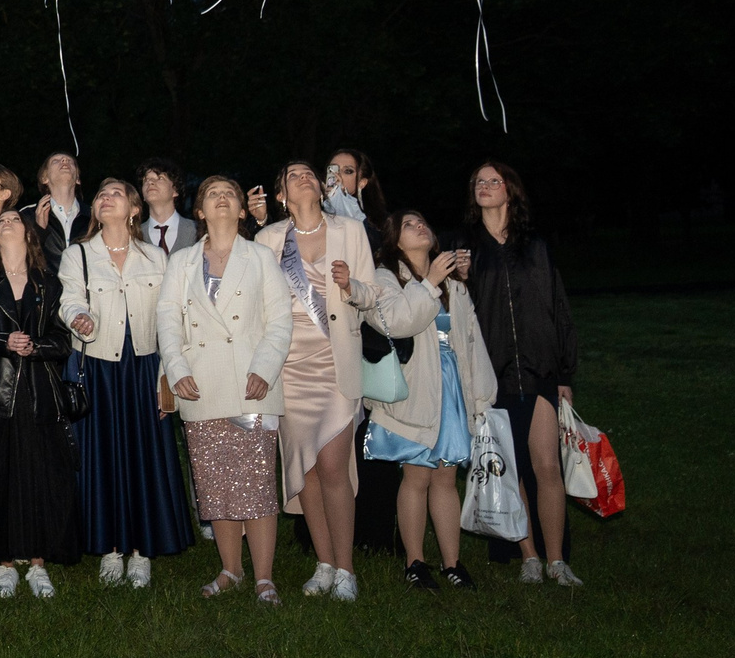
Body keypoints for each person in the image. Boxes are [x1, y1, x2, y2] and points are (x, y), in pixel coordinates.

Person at [157, 176, 294, 603]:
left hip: (252, 383)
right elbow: (167, 320)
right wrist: (176, 370)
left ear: (240, 211)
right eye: (211, 194)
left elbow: (280, 320)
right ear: (199, 211)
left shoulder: (260, 258)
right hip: (201, 384)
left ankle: (264, 577)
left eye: (228, 195)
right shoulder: (181, 262)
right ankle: (231, 570)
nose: (220, 198)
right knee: (214, 484)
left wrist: (266, 368)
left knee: (255, 483)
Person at [253, 159, 382, 602]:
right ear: (281, 196)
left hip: (334, 363)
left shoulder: (350, 231)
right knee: (303, 468)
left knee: (332, 466)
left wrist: (351, 288)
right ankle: (324, 563)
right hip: (289, 368)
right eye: (293, 175)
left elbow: (372, 295)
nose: (304, 177)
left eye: (310, 173)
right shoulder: (267, 239)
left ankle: (346, 569)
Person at [60, 176, 192, 586]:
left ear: (134, 209)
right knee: (103, 456)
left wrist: (168, 374)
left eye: (116, 193)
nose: (105, 198)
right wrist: (78, 318)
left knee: (143, 457)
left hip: (143, 370)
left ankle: (141, 550)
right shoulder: (78, 254)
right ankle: (111, 548)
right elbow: (69, 300)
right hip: (99, 366)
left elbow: (172, 319)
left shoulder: (156, 258)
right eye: (100, 194)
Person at [460, 160, 583, 586]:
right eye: (480, 182)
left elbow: (558, 307)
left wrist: (564, 373)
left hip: (540, 370)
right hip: (492, 375)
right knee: (509, 468)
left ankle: (556, 560)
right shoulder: (467, 249)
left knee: (547, 465)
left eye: (494, 181)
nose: (486, 186)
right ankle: (527, 555)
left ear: (510, 190)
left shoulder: (536, 246)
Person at [367, 209, 495, 590]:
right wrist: (430, 282)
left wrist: (483, 396)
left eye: (424, 221)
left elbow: (472, 340)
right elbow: (398, 321)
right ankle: (414, 562)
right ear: (394, 240)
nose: (421, 225)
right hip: (416, 386)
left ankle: (453, 563)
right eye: (409, 224)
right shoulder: (386, 278)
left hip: (452, 386)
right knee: (417, 474)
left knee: (445, 477)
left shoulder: (453, 283)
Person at [0, 206, 81, 597]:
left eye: (15, 219)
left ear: (29, 234)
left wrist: (37, 347)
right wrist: (4, 341)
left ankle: (38, 561)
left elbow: (63, 340)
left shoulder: (49, 283)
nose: (7, 223)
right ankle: (6, 562)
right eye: (2, 222)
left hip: (39, 390)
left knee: (40, 471)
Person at [138, 158, 198, 258]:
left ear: (175, 190)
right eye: (146, 180)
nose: (150, 182)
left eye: (160, 178)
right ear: (143, 196)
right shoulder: (135, 236)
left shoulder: (197, 231)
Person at [29, 153, 85, 258]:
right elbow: (21, 258)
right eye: (55, 161)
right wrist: (39, 230)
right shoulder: (27, 215)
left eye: (70, 161)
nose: (64, 160)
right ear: (44, 178)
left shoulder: (94, 216)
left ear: (78, 179)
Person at [326, 148, 389, 237]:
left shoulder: (379, 223)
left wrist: (341, 199)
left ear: (362, 183)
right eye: (332, 170)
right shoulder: (316, 208)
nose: (337, 175)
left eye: (348, 171)